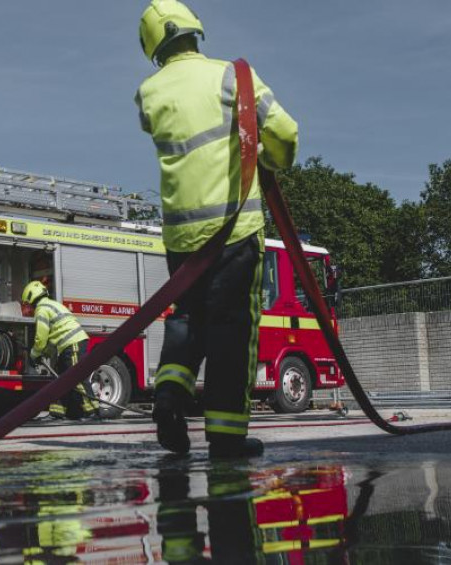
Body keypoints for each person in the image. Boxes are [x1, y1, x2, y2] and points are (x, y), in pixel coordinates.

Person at [135, 0, 298, 457]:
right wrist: (271, 161)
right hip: (234, 230)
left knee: (187, 321)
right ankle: (227, 437)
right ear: (195, 30)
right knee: (231, 329)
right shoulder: (233, 77)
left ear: (152, 45)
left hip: (182, 239)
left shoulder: (148, 93)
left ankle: (169, 395)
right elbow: (285, 133)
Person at [20, 281, 99, 421]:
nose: (27, 309)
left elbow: (41, 338)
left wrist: (34, 354)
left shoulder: (42, 310)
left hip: (73, 343)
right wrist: (44, 353)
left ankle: (93, 412)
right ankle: (57, 413)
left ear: (31, 298)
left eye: (26, 304)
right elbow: (53, 337)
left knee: (77, 376)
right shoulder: (52, 304)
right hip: (69, 345)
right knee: (60, 380)